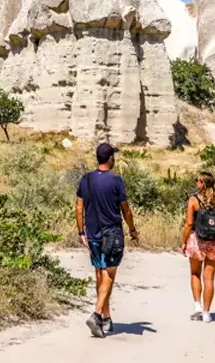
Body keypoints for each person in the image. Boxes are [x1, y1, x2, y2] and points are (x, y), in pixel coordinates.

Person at [76, 142, 139, 338]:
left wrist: (81, 232)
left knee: (100, 273)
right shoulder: (116, 180)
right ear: (110, 158)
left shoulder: (86, 179)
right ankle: (96, 315)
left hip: (93, 233)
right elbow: (125, 209)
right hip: (112, 233)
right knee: (109, 275)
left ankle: (106, 317)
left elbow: (79, 207)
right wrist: (133, 229)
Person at [180, 171, 215, 323]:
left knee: (195, 273)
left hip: (197, 241)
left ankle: (197, 306)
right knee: (209, 278)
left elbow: (188, 224)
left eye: (198, 181)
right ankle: (207, 313)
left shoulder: (193, 200)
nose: (196, 183)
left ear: (204, 184)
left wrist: (183, 241)